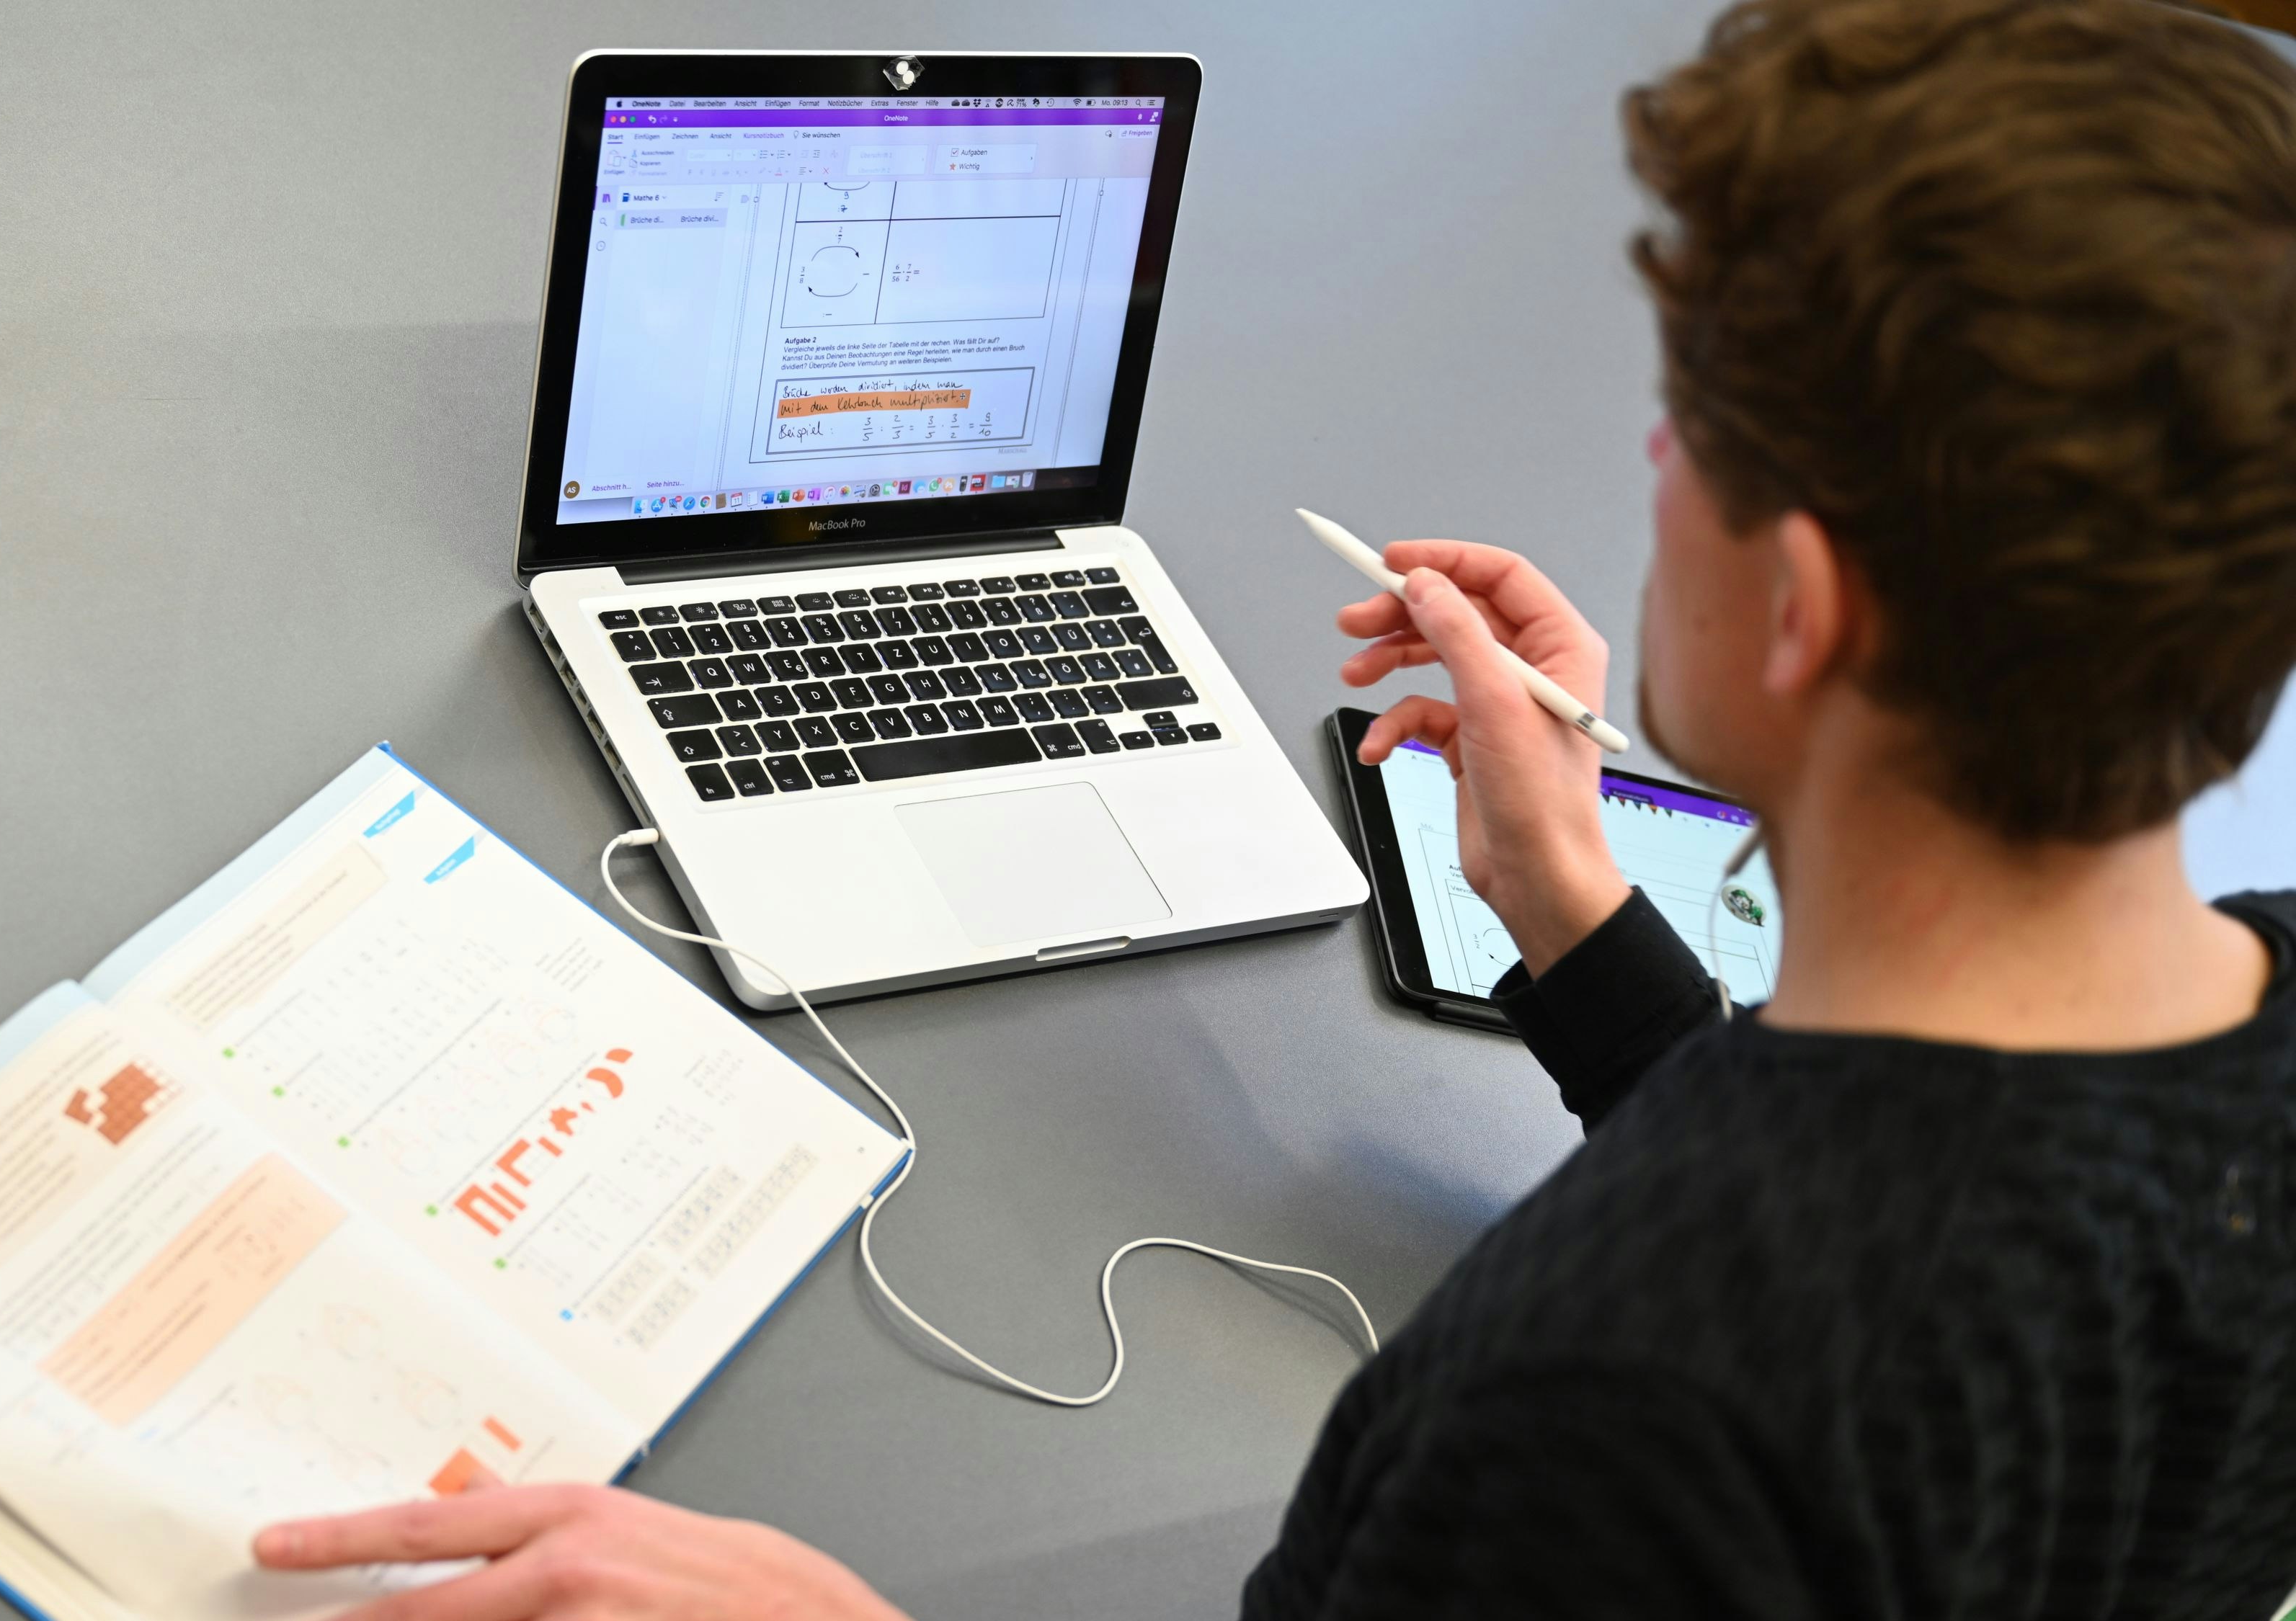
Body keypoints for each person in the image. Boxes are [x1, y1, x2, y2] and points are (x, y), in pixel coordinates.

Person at [243, 0, 2296, 1613]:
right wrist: (1572, 911)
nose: (1656, 460)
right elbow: (1944, 1236)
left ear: (1807, 607)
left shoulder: (1609, 1409)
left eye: (1695, 426)